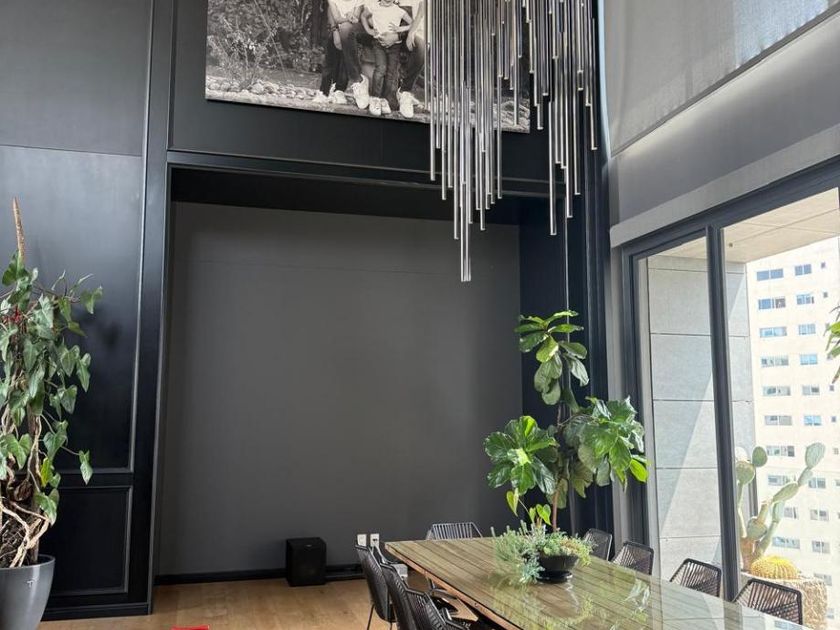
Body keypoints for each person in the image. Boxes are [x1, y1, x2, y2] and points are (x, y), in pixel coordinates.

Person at [361, 0, 412, 116]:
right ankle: (375, 98)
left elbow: (413, 23)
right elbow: (363, 16)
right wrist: (368, 30)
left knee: (390, 73)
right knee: (381, 69)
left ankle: (384, 99)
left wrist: (401, 29)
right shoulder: (374, 6)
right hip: (378, 44)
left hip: (395, 46)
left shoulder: (398, 10)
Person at [313, 0, 363, 105]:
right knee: (330, 57)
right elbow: (335, 18)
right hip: (336, 28)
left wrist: (346, 20)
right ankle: (324, 91)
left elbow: (355, 19)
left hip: (350, 32)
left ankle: (339, 91)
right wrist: (336, 32)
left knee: (346, 52)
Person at [396, 0, 425, 118]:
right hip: (391, 30)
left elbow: (421, 12)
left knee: (421, 47)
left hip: (410, 31)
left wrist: (411, 33)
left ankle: (404, 91)